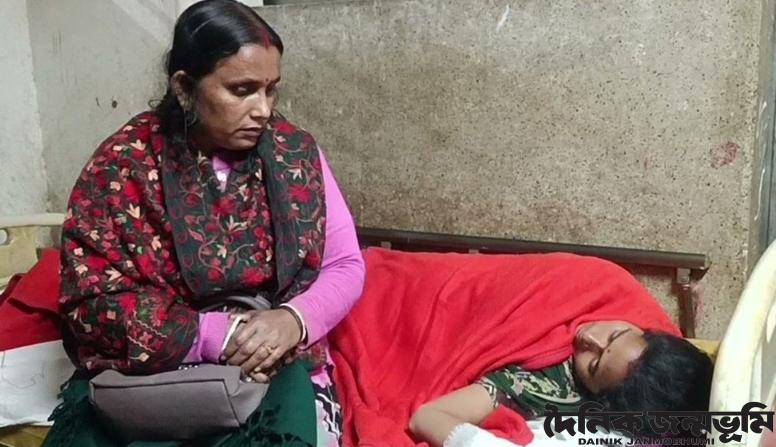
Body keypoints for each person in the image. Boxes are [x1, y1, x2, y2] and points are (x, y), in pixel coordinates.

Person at [43, 1, 364, 446]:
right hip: (151, 377)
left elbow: (345, 265)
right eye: (241, 90)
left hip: (275, 363)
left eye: (271, 90)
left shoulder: (294, 154)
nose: (263, 109)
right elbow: (92, 300)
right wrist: (213, 335)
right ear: (184, 87)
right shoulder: (123, 165)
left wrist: (294, 320)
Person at [409, 322, 713, 446]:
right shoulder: (621, 300)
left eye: (593, 365)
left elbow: (426, 416)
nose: (588, 337)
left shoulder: (537, 386)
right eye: (615, 335)